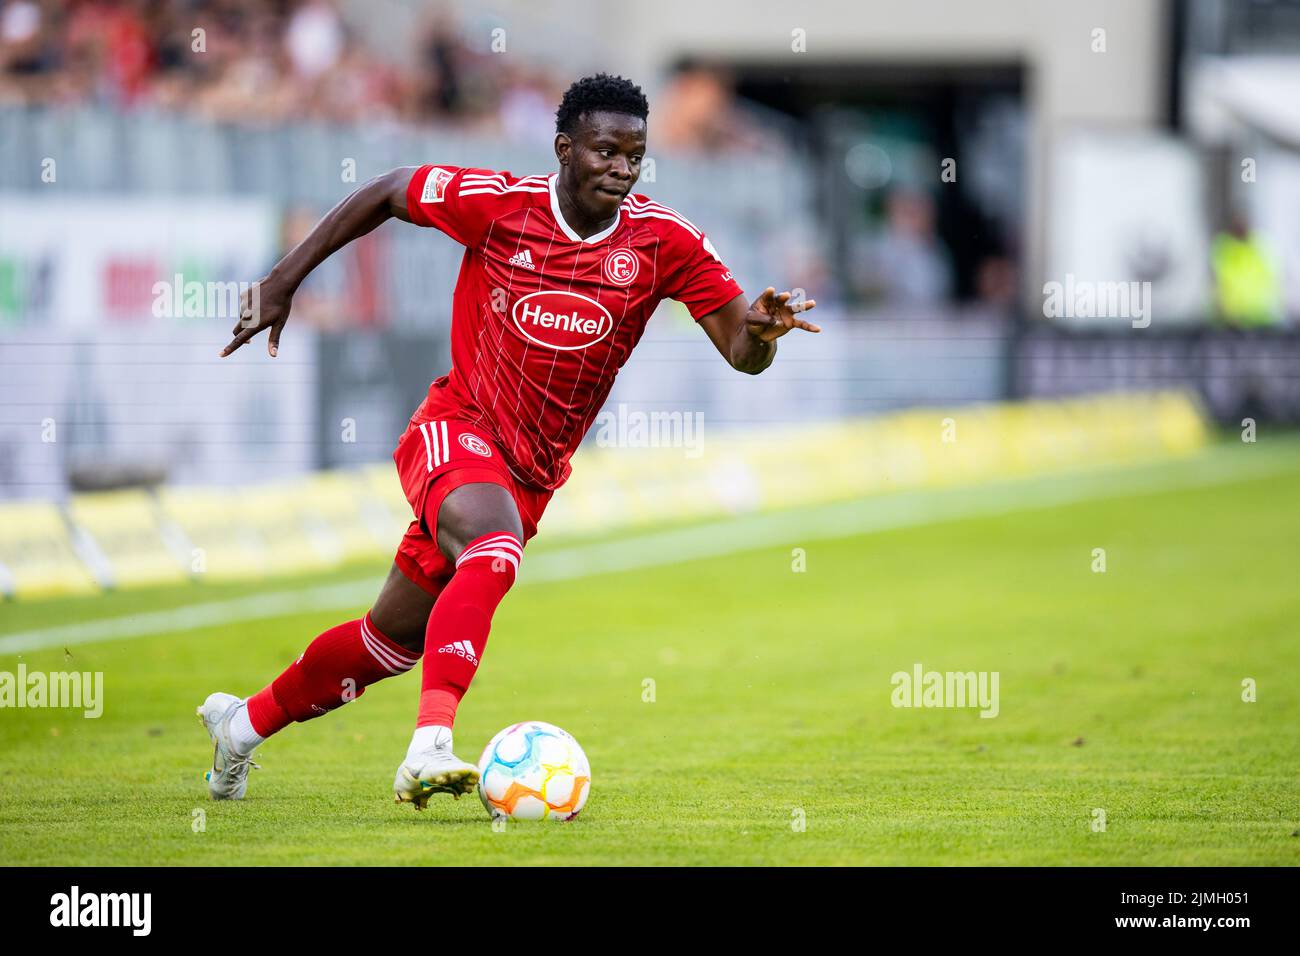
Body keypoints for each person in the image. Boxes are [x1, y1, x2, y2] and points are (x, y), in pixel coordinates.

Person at [201, 73, 819, 809]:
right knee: (493, 552)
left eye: (635, 156)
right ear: (564, 148)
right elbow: (389, 189)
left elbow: (741, 353)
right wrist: (283, 279)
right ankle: (430, 746)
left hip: (530, 473)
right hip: (456, 427)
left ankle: (240, 728)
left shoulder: (664, 243)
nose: (622, 169)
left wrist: (762, 332)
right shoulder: (498, 206)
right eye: (605, 151)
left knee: (388, 644)